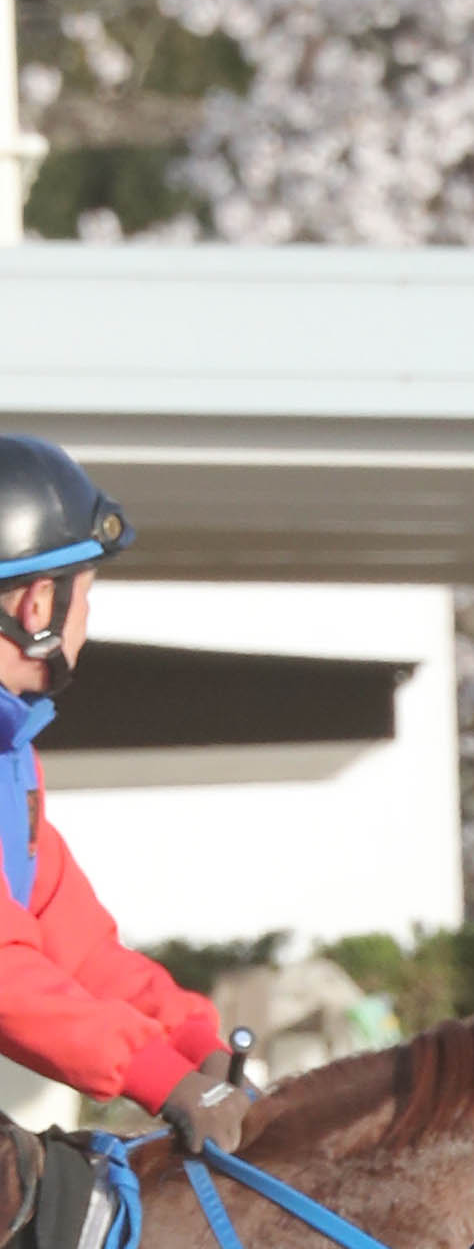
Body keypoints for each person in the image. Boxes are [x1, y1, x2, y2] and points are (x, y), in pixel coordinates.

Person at [0, 437, 249, 1154]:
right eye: (87, 593)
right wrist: (160, 1077)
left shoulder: (12, 757)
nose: (87, 618)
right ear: (38, 603)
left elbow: (75, 946)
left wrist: (195, 1043)